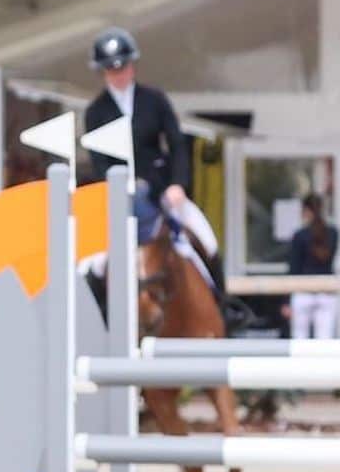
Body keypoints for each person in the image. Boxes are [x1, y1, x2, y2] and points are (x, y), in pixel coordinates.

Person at [83, 26, 231, 305]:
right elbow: (99, 163)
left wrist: (178, 184)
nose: (118, 74)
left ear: (132, 66)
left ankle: (226, 307)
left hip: (161, 192)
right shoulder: (95, 112)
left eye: (123, 67)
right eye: (111, 70)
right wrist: (116, 192)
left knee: (206, 239)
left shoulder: (155, 100)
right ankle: (100, 315)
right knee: (96, 263)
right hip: (119, 198)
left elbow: (176, 144)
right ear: (103, 72)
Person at [284, 195, 340, 339]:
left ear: (307, 211)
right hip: (326, 291)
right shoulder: (333, 233)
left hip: (303, 291)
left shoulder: (300, 235)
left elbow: (294, 268)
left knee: (300, 339)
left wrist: (286, 300)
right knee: (324, 340)